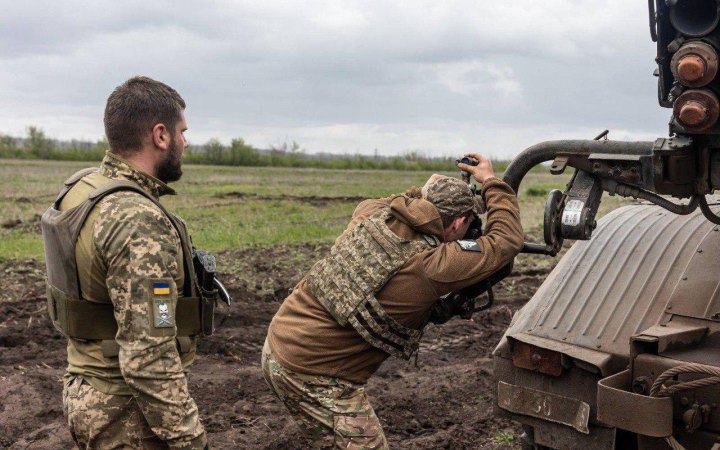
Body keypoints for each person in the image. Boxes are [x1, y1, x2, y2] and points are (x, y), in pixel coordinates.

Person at [262, 154, 524, 449]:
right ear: (460, 221)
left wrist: (424, 194)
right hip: (312, 374)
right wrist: (491, 182)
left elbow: (400, 201)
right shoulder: (432, 266)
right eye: (470, 223)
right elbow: (506, 241)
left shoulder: (372, 214)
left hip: (280, 341)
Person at [41, 76, 208, 449]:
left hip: (85, 388)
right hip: (126, 414)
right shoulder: (137, 220)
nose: (186, 142)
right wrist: (190, 439)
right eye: (182, 132)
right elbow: (149, 355)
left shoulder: (83, 190)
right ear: (160, 135)